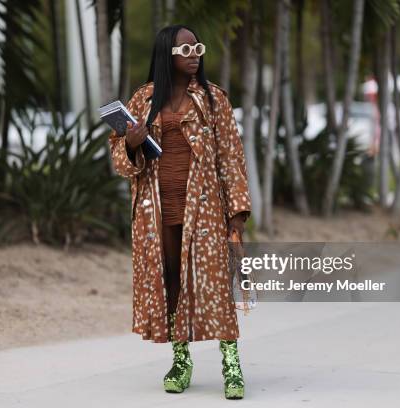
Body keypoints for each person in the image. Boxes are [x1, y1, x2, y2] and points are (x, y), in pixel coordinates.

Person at [107, 24, 252, 400]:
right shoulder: (142, 100)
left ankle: (231, 364)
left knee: (216, 284)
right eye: (186, 50)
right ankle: (181, 359)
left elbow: (231, 157)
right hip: (156, 213)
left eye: (198, 48)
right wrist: (131, 143)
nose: (195, 55)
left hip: (205, 211)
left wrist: (236, 212)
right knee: (171, 282)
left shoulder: (213, 99)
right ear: (166, 55)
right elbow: (122, 163)